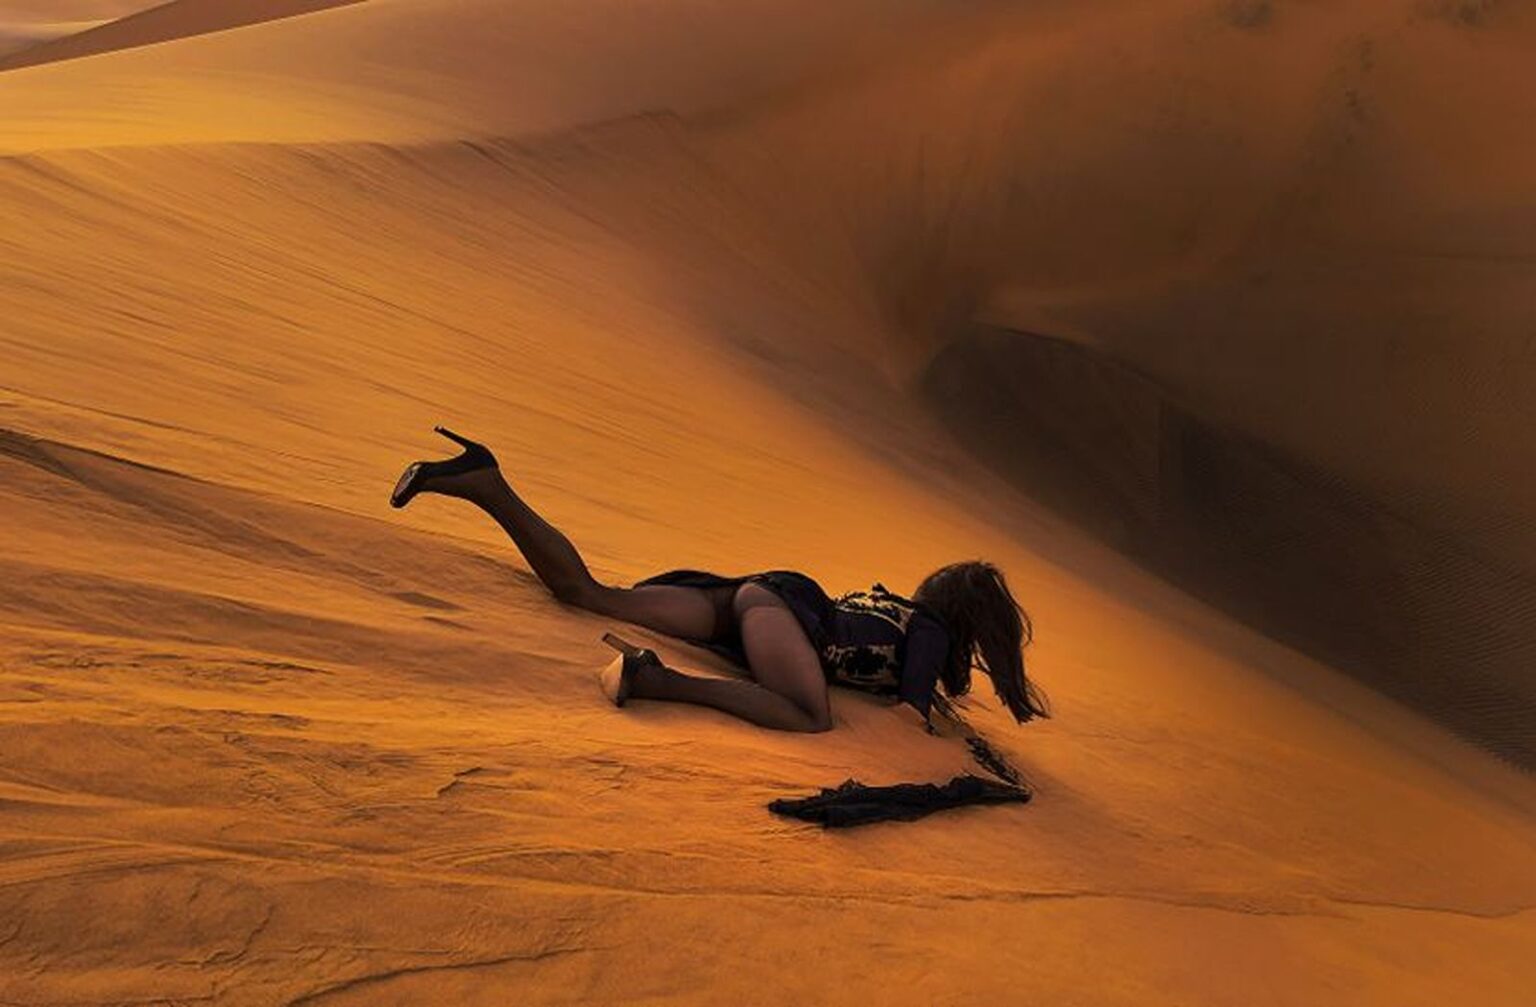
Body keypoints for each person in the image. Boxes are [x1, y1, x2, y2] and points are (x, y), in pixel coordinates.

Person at [391, 427, 1049, 734]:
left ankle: (486, 482)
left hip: (753, 597)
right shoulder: (929, 631)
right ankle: (656, 680)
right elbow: (908, 718)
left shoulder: (897, 608)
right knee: (808, 716)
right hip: (780, 614)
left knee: (590, 595)